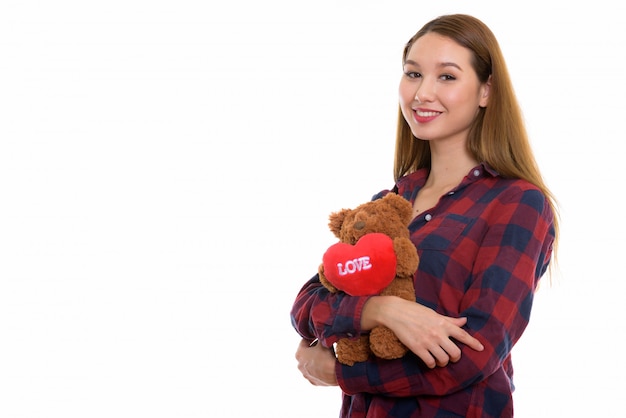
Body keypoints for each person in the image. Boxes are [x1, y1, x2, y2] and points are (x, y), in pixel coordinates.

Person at [290, 13, 559, 418]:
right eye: (413, 74)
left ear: (486, 91)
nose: (422, 93)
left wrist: (342, 372)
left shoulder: (517, 203)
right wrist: (381, 311)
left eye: (447, 77)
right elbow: (309, 303)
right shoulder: (386, 205)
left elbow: (475, 355)